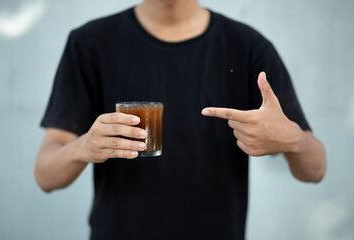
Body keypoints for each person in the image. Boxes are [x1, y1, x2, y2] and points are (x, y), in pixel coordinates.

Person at [35, 0, 327, 239]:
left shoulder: (248, 47)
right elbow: (45, 176)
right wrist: (82, 147)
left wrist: (294, 140)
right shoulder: (88, 44)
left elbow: (316, 169)